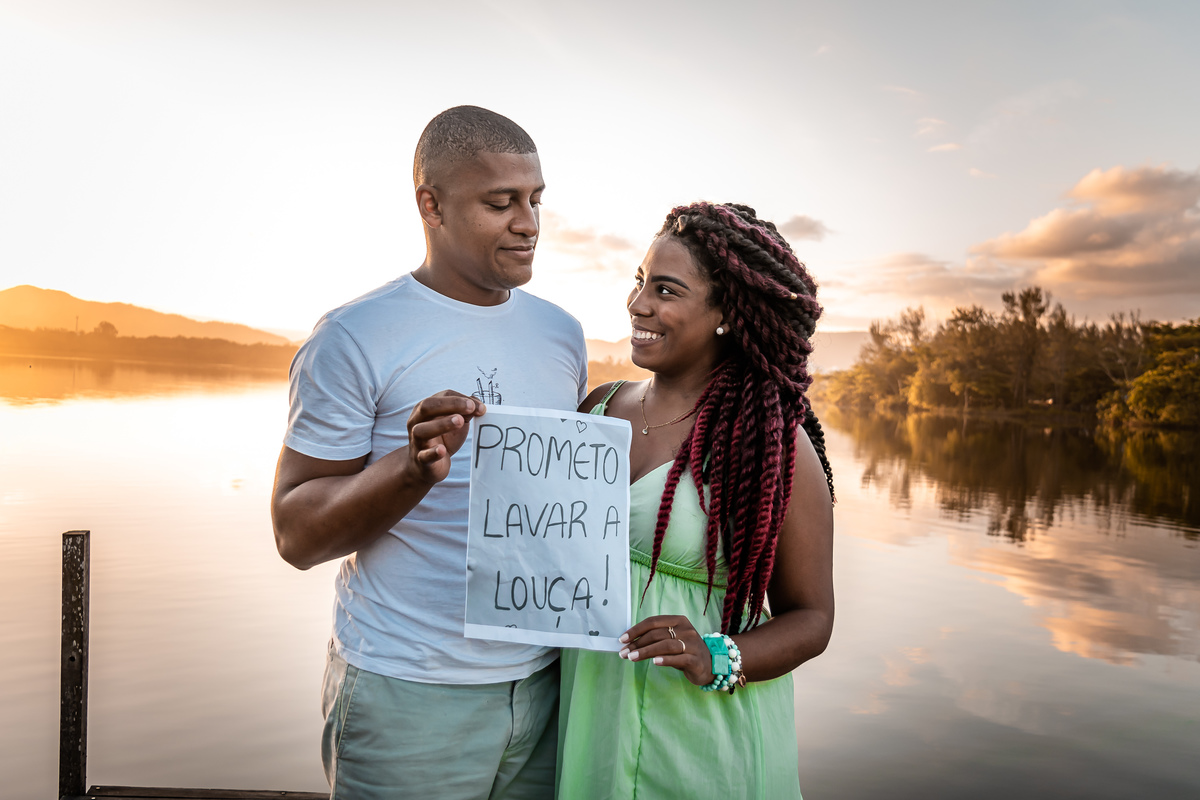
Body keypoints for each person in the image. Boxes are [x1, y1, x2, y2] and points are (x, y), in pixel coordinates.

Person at [271, 106, 588, 800]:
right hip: (408, 693)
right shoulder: (354, 336)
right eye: (500, 203)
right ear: (431, 204)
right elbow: (295, 533)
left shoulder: (563, 335)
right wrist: (410, 471)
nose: (529, 223)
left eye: (535, 200)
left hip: (546, 690)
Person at [556, 202, 836, 799]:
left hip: (702, 741)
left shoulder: (770, 441)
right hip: (593, 715)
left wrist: (718, 654)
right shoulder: (597, 410)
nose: (638, 303)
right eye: (639, 281)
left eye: (666, 289)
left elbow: (812, 619)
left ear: (726, 316)